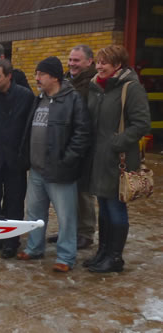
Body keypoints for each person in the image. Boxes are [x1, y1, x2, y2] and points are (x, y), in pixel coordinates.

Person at [17, 56, 90, 273]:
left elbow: (82, 133)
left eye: (41, 74)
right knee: (34, 214)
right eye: (37, 74)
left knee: (66, 217)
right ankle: (34, 247)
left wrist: (68, 159)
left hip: (61, 171)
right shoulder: (39, 99)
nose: (37, 78)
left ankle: (66, 257)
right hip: (37, 170)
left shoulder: (72, 100)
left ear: (55, 77)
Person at [85, 45, 150, 273]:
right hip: (99, 159)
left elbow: (142, 123)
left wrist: (116, 143)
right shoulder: (97, 87)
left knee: (115, 207)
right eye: (98, 62)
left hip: (117, 159)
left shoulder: (131, 88)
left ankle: (115, 258)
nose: (99, 66)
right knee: (103, 206)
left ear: (118, 65)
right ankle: (103, 252)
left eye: (105, 63)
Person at [0, 59, 34, 259]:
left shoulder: (26, 97)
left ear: (9, 76)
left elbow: (29, 130)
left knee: (14, 201)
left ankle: (11, 241)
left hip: (15, 160)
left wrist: (25, 156)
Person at [47, 45, 98, 249]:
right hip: (64, 144)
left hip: (85, 145)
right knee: (67, 192)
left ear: (89, 62)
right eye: (70, 60)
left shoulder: (93, 85)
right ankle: (67, 230)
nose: (71, 64)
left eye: (77, 60)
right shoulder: (66, 82)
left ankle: (85, 232)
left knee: (83, 192)